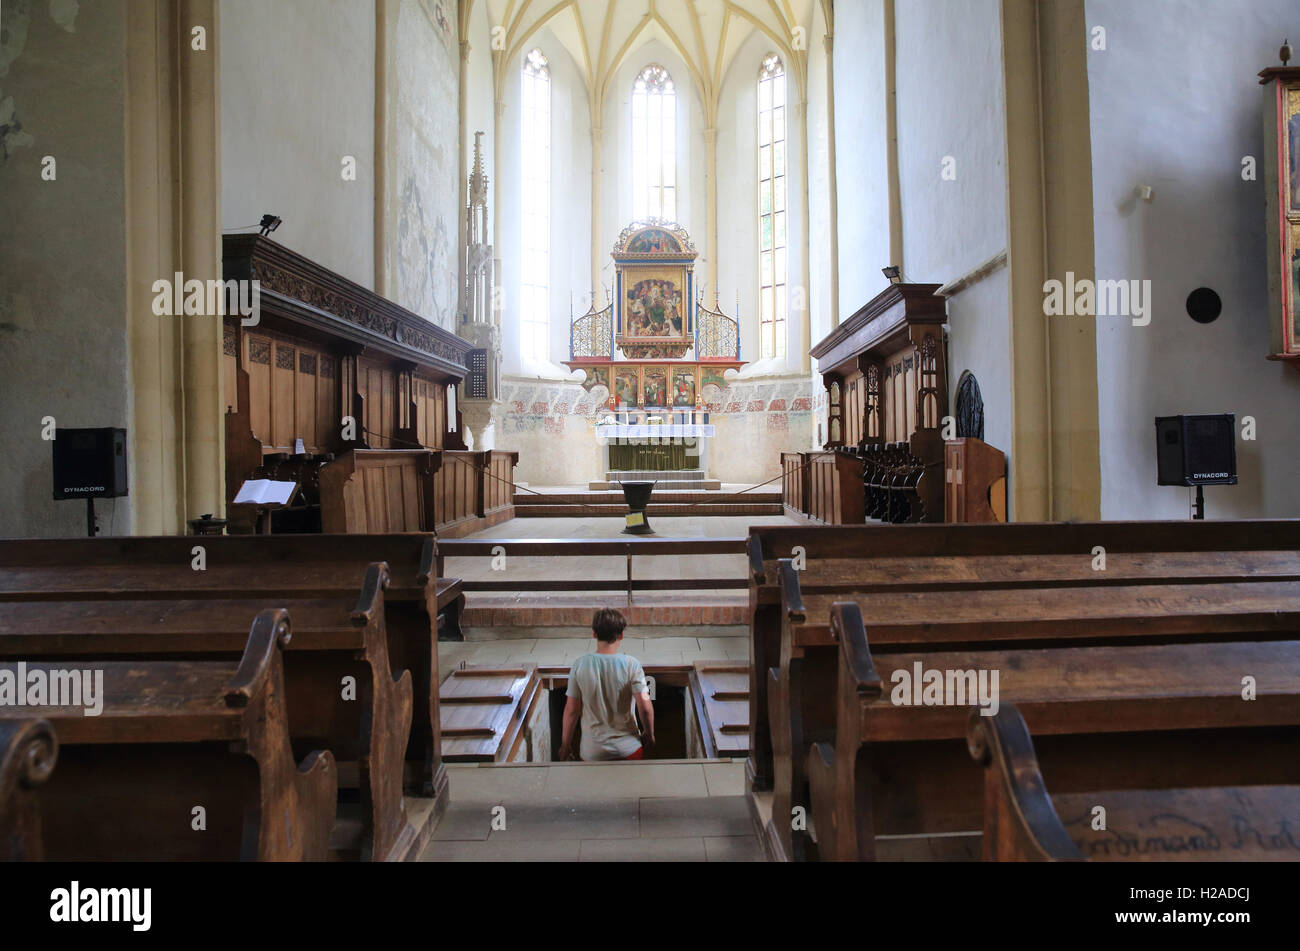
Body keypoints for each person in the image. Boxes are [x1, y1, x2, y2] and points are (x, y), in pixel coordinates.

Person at [559, 608, 655, 761]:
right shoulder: (632, 665)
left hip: (592, 753)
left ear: (594, 634)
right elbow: (645, 706)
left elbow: (571, 711)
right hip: (629, 750)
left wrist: (565, 746)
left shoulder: (580, 665)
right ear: (621, 635)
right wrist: (649, 734)